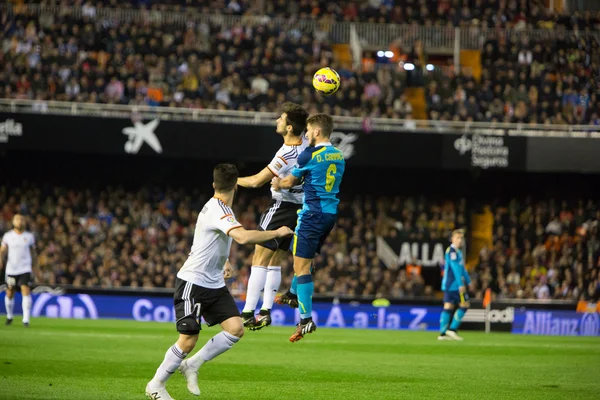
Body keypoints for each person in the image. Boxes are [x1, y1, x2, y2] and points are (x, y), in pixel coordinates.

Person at [145, 164, 293, 400]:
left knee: (235, 329)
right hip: (193, 282)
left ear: (214, 185)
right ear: (236, 186)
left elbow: (210, 238)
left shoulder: (220, 208)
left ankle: (192, 365)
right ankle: (156, 384)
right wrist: (277, 232)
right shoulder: (218, 209)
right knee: (188, 339)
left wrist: (223, 261)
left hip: (213, 283)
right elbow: (243, 237)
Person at [271, 114, 346, 342]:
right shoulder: (339, 154)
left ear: (316, 132)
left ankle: (305, 319)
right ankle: (293, 294)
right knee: (306, 258)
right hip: (329, 214)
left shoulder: (310, 154)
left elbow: (289, 182)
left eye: (309, 130)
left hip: (311, 214)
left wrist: (277, 182)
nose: (305, 134)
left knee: (300, 266)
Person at [237, 102, 308, 330]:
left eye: (281, 118)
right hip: (299, 209)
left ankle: (248, 312)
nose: (277, 120)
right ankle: (266, 310)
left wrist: (230, 181)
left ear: (289, 128)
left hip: (280, 207)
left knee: (259, 259)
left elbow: (257, 180)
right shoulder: (307, 147)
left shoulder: (286, 153)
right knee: (276, 261)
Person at [1, 214, 37, 327]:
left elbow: (33, 253)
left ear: (24, 222)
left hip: (25, 268)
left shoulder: (29, 236)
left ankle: (26, 320)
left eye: (22, 219)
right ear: (13, 222)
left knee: (25, 290)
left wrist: (35, 266)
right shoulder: (8, 236)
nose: (20, 221)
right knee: (10, 291)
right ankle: (9, 316)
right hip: (11, 269)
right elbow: (2, 250)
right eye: (17, 219)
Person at [438, 229, 471, 341]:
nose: (459, 240)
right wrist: (461, 284)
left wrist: (469, 281)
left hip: (452, 284)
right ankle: (452, 329)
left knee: (449, 306)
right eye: (457, 238)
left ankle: (443, 333)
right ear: (452, 239)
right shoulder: (451, 251)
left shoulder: (458, 252)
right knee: (464, 304)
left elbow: (463, 269)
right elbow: (456, 269)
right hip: (453, 284)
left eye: (461, 238)